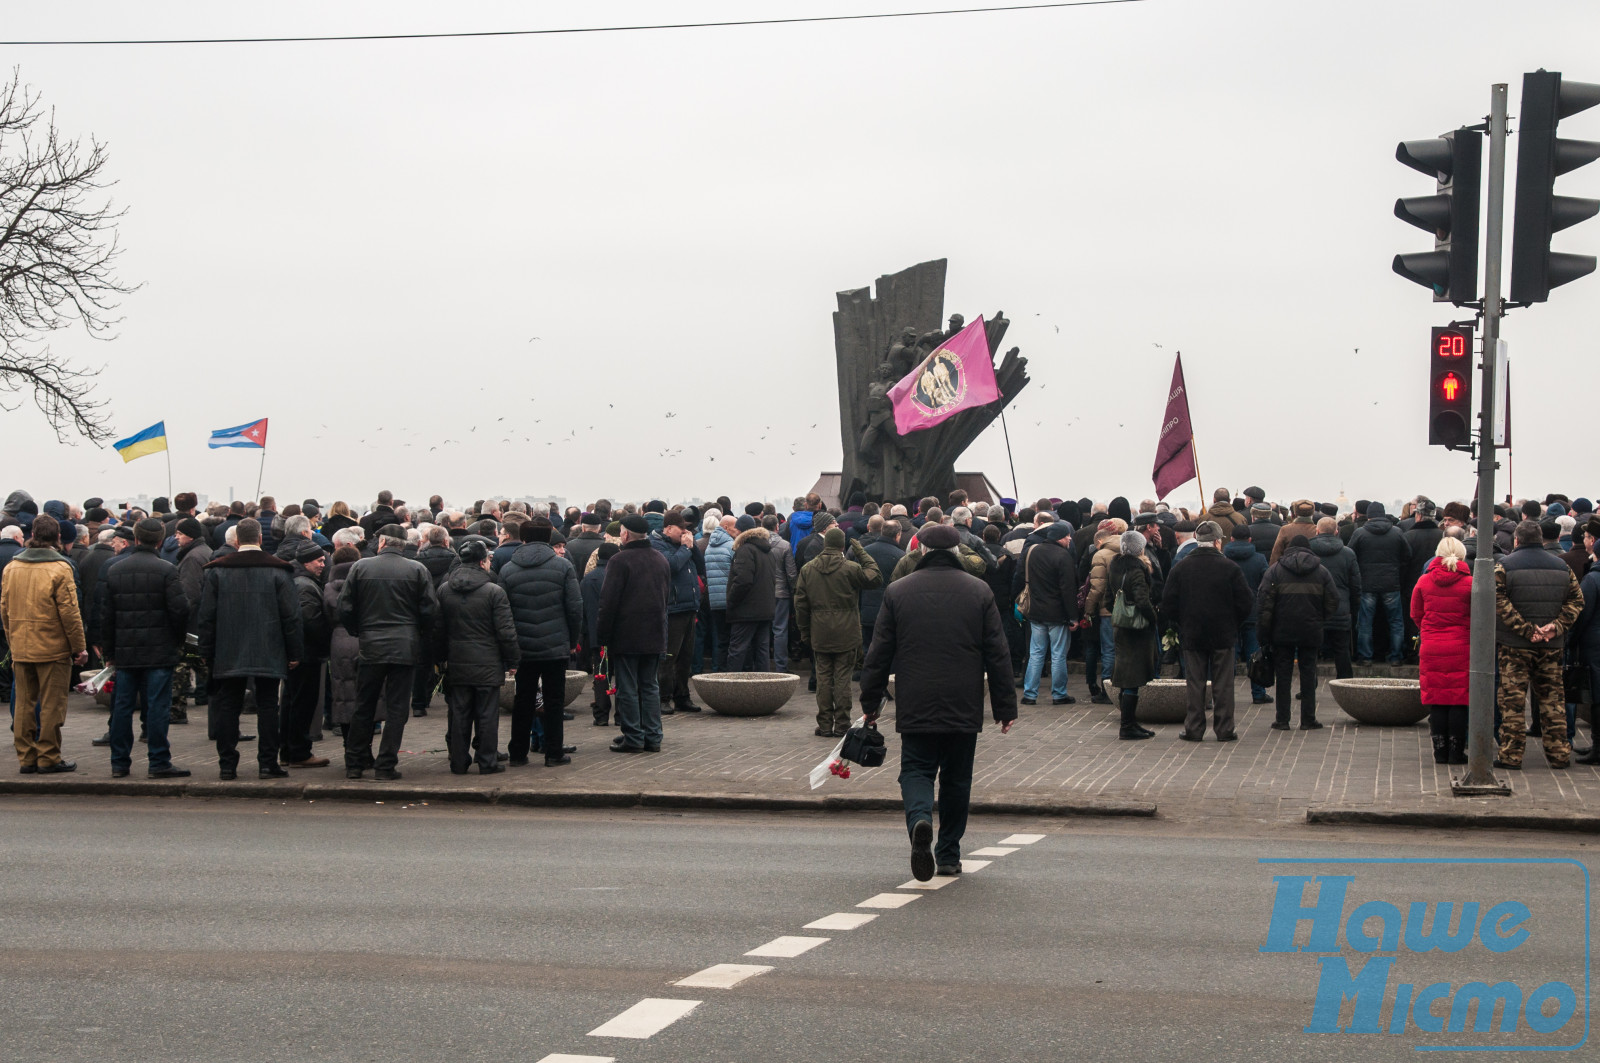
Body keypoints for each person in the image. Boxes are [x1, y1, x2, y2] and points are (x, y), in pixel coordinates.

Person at [859, 521, 1016, 881]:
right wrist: (1005, 708)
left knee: (915, 770)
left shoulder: (898, 591)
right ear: (958, 551)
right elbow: (998, 653)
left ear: (922, 551)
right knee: (958, 779)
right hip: (964, 701)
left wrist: (870, 701)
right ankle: (948, 854)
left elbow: (878, 653)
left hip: (916, 698)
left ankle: (920, 820)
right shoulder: (979, 591)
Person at [196, 518, 304, 780]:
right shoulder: (279, 570)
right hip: (269, 647)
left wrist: (206, 652)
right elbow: (291, 617)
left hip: (227, 647)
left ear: (236, 540)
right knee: (268, 706)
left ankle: (227, 765)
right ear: (259, 539)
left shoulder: (216, 571)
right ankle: (267, 764)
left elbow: (206, 617)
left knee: (228, 706)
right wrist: (294, 653)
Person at [337, 524, 438, 780]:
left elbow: (345, 607)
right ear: (402, 544)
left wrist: (359, 631)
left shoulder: (360, 567)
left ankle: (355, 763)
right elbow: (429, 610)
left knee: (364, 704)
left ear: (381, 542)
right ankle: (385, 765)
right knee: (397, 708)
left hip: (371, 644)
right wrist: (418, 634)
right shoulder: (417, 569)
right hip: (405, 646)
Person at [99, 518, 191, 779]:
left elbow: (107, 616)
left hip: (126, 652)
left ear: (135, 539)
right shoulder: (166, 570)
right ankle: (158, 760)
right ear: (160, 541)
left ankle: (119, 762)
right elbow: (180, 609)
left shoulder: (115, 571)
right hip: (159, 651)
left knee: (122, 707)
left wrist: (109, 653)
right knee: (157, 707)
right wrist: (176, 639)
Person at [1, 514, 88, 774]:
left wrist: (12, 638)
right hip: (53, 647)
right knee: (52, 705)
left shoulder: (12, 567)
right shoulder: (61, 568)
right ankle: (49, 756)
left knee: (24, 704)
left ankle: (26, 757)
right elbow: (70, 613)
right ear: (58, 538)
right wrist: (78, 647)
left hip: (21, 645)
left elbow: (4, 609)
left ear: (31, 536)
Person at [1494, 519, 1583, 770]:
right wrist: (1556, 626)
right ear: (1542, 539)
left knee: (1512, 703)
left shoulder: (1504, 566)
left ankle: (1511, 756)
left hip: (1514, 646)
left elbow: (1498, 601)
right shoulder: (1561, 566)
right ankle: (1559, 754)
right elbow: (1577, 601)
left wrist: (1526, 629)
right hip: (1551, 645)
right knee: (1552, 701)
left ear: (1517, 540)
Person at [498, 517, 582, 767]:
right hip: (555, 645)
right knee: (554, 700)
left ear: (523, 538)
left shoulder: (508, 569)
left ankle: (518, 753)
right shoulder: (563, 567)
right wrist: (572, 640)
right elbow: (575, 608)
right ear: (548, 538)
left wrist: (509, 645)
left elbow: (503, 612)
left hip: (522, 646)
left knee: (523, 699)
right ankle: (553, 752)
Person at [1160, 521, 1253, 742]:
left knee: (1195, 682)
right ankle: (1224, 728)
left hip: (1192, 632)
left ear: (1197, 539)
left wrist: (1182, 621)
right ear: (1218, 542)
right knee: (1223, 683)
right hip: (1223, 632)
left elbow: (1168, 603)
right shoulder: (1230, 568)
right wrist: (1233, 622)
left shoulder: (1181, 567)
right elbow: (1246, 602)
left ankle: (1194, 727)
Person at [434, 537, 519, 774]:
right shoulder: (494, 592)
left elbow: (438, 630)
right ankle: (487, 761)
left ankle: (458, 762)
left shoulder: (444, 589)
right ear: (483, 563)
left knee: (459, 713)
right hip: (488, 662)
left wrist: (440, 659)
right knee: (487, 714)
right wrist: (512, 660)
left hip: (457, 661)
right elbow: (506, 631)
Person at [794, 527, 882, 737]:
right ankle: (842, 724)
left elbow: (801, 605)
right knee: (842, 677)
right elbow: (875, 577)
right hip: (847, 631)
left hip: (820, 630)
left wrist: (805, 632)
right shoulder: (850, 568)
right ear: (842, 546)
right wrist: (860, 551)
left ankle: (824, 724)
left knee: (824, 677)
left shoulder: (808, 569)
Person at [597, 514, 671, 753]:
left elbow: (608, 603)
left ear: (625, 534)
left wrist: (603, 637)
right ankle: (653, 736)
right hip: (655, 633)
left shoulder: (619, 561)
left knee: (627, 687)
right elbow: (666, 598)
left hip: (627, 635)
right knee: (650, 685)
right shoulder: (660, 559)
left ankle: (633, 736)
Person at [1257, 534, 1339, 732]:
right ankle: (1308, 719)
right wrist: (1320, 618)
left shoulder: (1275, 571)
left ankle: (1282, 720)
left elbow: (1264, 604)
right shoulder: (1321, 571)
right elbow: (1333, 600)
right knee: (1308, 673)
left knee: (1283, 675)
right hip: (1310, 629)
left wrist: (1265, 633)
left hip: (1282, 630)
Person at [1410, 537, 1472, 764]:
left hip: (1432, 645)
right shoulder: (1470, 583)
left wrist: (1428, 630)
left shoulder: (1424, 581)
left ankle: (1440, 751)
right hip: (1462, 645)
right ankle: (1457, 752)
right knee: (1458, 699)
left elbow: (1416, 613)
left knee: (1437, 699)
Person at [279, 540, 331, 769]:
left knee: (292, 702)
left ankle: (290, 751)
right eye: (319, 560)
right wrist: (327, 639)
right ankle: (299, 752)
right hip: (306, 654)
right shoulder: (304, 585)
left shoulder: (299, 580)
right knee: (302, 703)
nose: (323, 564)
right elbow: (309, 621)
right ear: (307, 561)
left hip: (300, 652)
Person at [1016, 521, 1078, 707]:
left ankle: (1029, 694)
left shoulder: (1032, 551)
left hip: (1035, 610)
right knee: (1058, 654)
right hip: (1057, 614)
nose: (1069, 539)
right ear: (1059, 537)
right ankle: (1059, 694)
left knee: (1036, 653)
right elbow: (1068, 589)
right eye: (1067, 536)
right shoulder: (1063, 556)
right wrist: (1073, 616)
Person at [1105, 531, 1159, 740]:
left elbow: (1109, 599)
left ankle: (1130, 722)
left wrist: (1119, 613)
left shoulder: (1115, 567)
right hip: (1136, 629)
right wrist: (1153, 618)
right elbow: (1142, 601)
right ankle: (1127, 726)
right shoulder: (1137, 570)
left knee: (1128, 675)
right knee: (1132, 677)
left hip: (1121, 626)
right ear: (1140, 548)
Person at [1349, 501, 1412, 664]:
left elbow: (1350, 555)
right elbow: (1407, 556)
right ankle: (1396, 656)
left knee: (1365, 622)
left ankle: (1365, 656)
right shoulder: (1397, 533)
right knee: (1396, 622)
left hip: (1367, 584)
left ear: (1368, 516)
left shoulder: (1360, 533)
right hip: (1391, 583)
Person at [651, 512, 703, 710]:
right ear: (668, 528)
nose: (684, 534)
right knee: (669, 656)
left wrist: (692, 546)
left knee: (686, 656)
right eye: (681, 530)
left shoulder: (684, 545)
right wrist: (685, 547)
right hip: (672, 608)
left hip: (689, 606)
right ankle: (663, 697)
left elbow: (700, 566)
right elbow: (671, 566)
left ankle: (682, 696)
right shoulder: (657, 544)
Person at [1307, 516, 1361, 680]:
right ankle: (1345, 683)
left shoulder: (1308, 550)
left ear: (1317, 530)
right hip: (1340, 607)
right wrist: (1353, 608)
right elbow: (1355, 585)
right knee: (1341, 650)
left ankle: (1309, 685)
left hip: (1313, 607)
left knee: (1310, 651)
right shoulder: (1348, 553)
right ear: (1337, 531)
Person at [1224, 523, 1271, 704]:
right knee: (1255, 653)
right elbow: (1266, 585)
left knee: (1230, 654)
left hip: (1229, 612)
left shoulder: (1224, 557)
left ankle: (1226, 693)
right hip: (1252, 611)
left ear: (1232, 539)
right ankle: (1258, 693)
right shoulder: (1259, 559)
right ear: (1250, 539)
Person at [725, 518, 779, 671]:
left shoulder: (745, 550)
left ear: (742, 531)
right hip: (765, 609)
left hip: (746, 610)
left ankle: (731, 688)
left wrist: (731, 601)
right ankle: (764, 689)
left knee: (737, 650)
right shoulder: (768, 551)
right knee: (762, 651)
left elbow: (743, 581)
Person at [580, 542, 618, 726]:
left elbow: (583, 610)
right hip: (619, 636)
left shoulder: (588, 579)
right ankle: (622, 715)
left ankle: (601, 715)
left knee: (601, 675)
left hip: (596, 636)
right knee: (622, 676)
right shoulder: (619, 576)